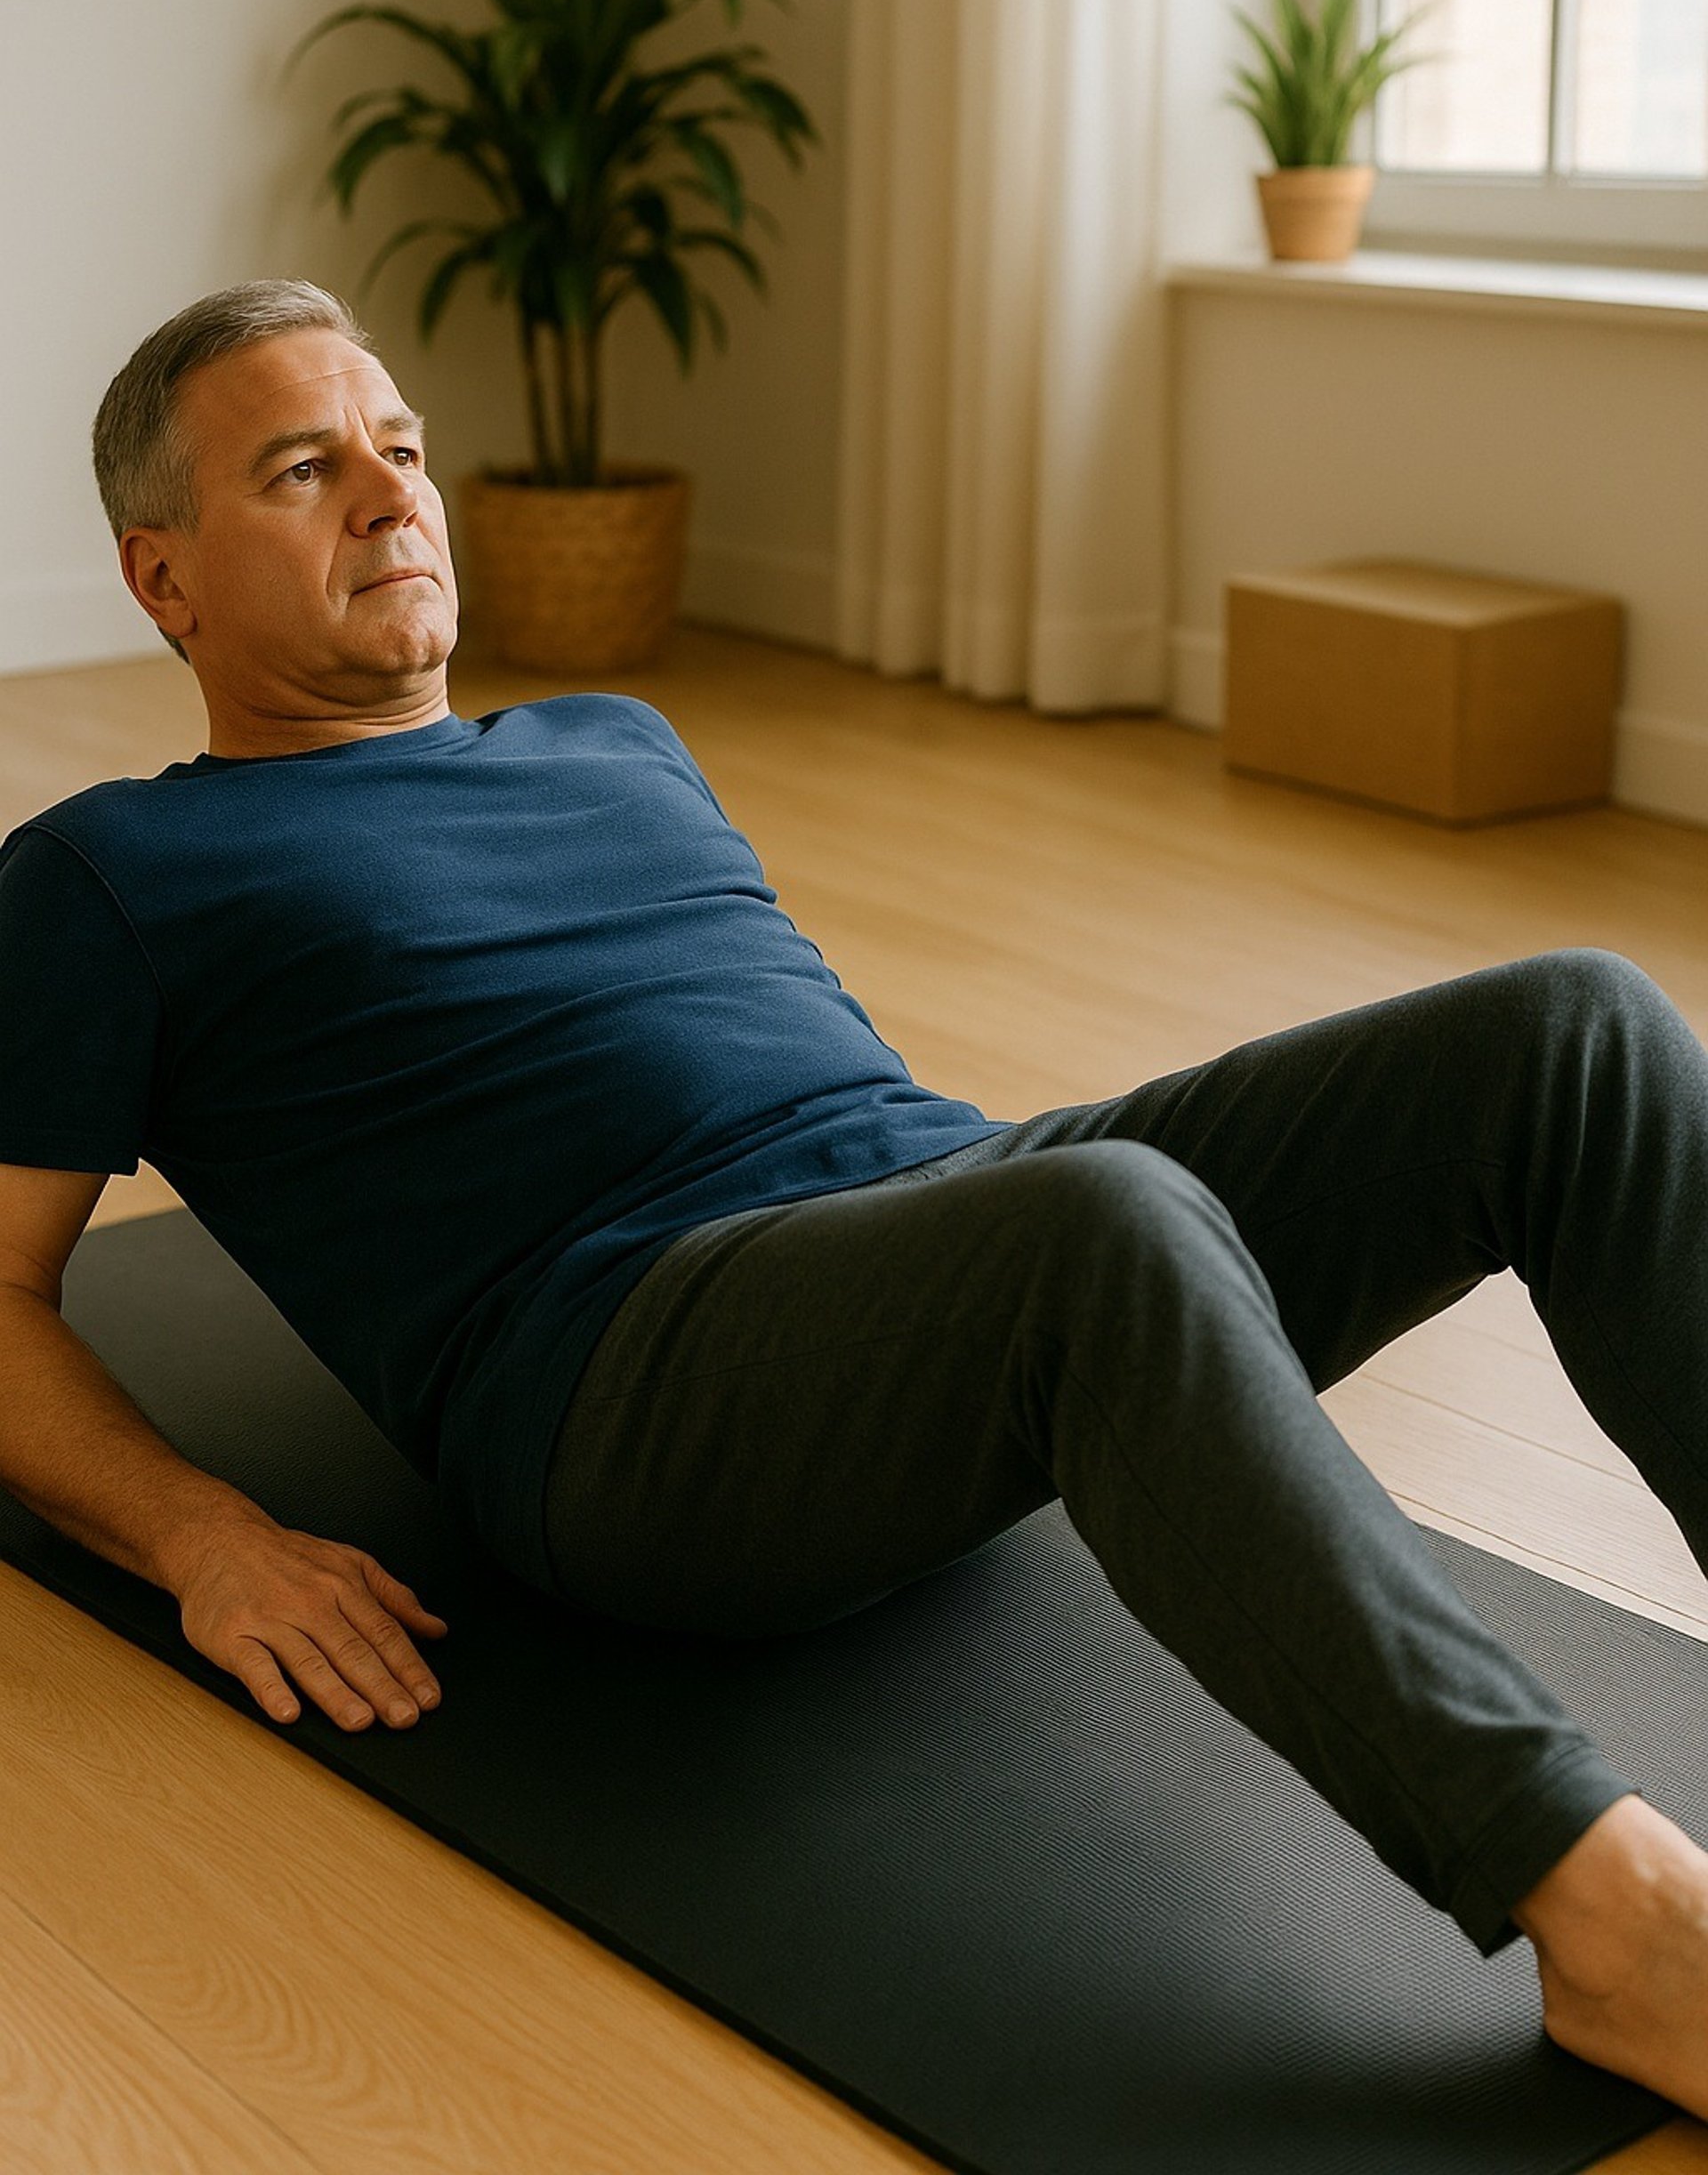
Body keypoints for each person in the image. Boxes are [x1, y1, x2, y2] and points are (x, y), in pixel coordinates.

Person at [0, 279, 1704, 2119]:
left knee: (1576, 1029)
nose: (391, 496)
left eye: (401, 450)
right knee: (1108, 1225)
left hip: (944, 1222)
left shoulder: (614, 739)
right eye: (304, 469)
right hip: (633, 1377)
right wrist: (200, 1538)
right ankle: (1616, 1927)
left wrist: (956, 1234)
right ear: (163, 580)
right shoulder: (116, 872)